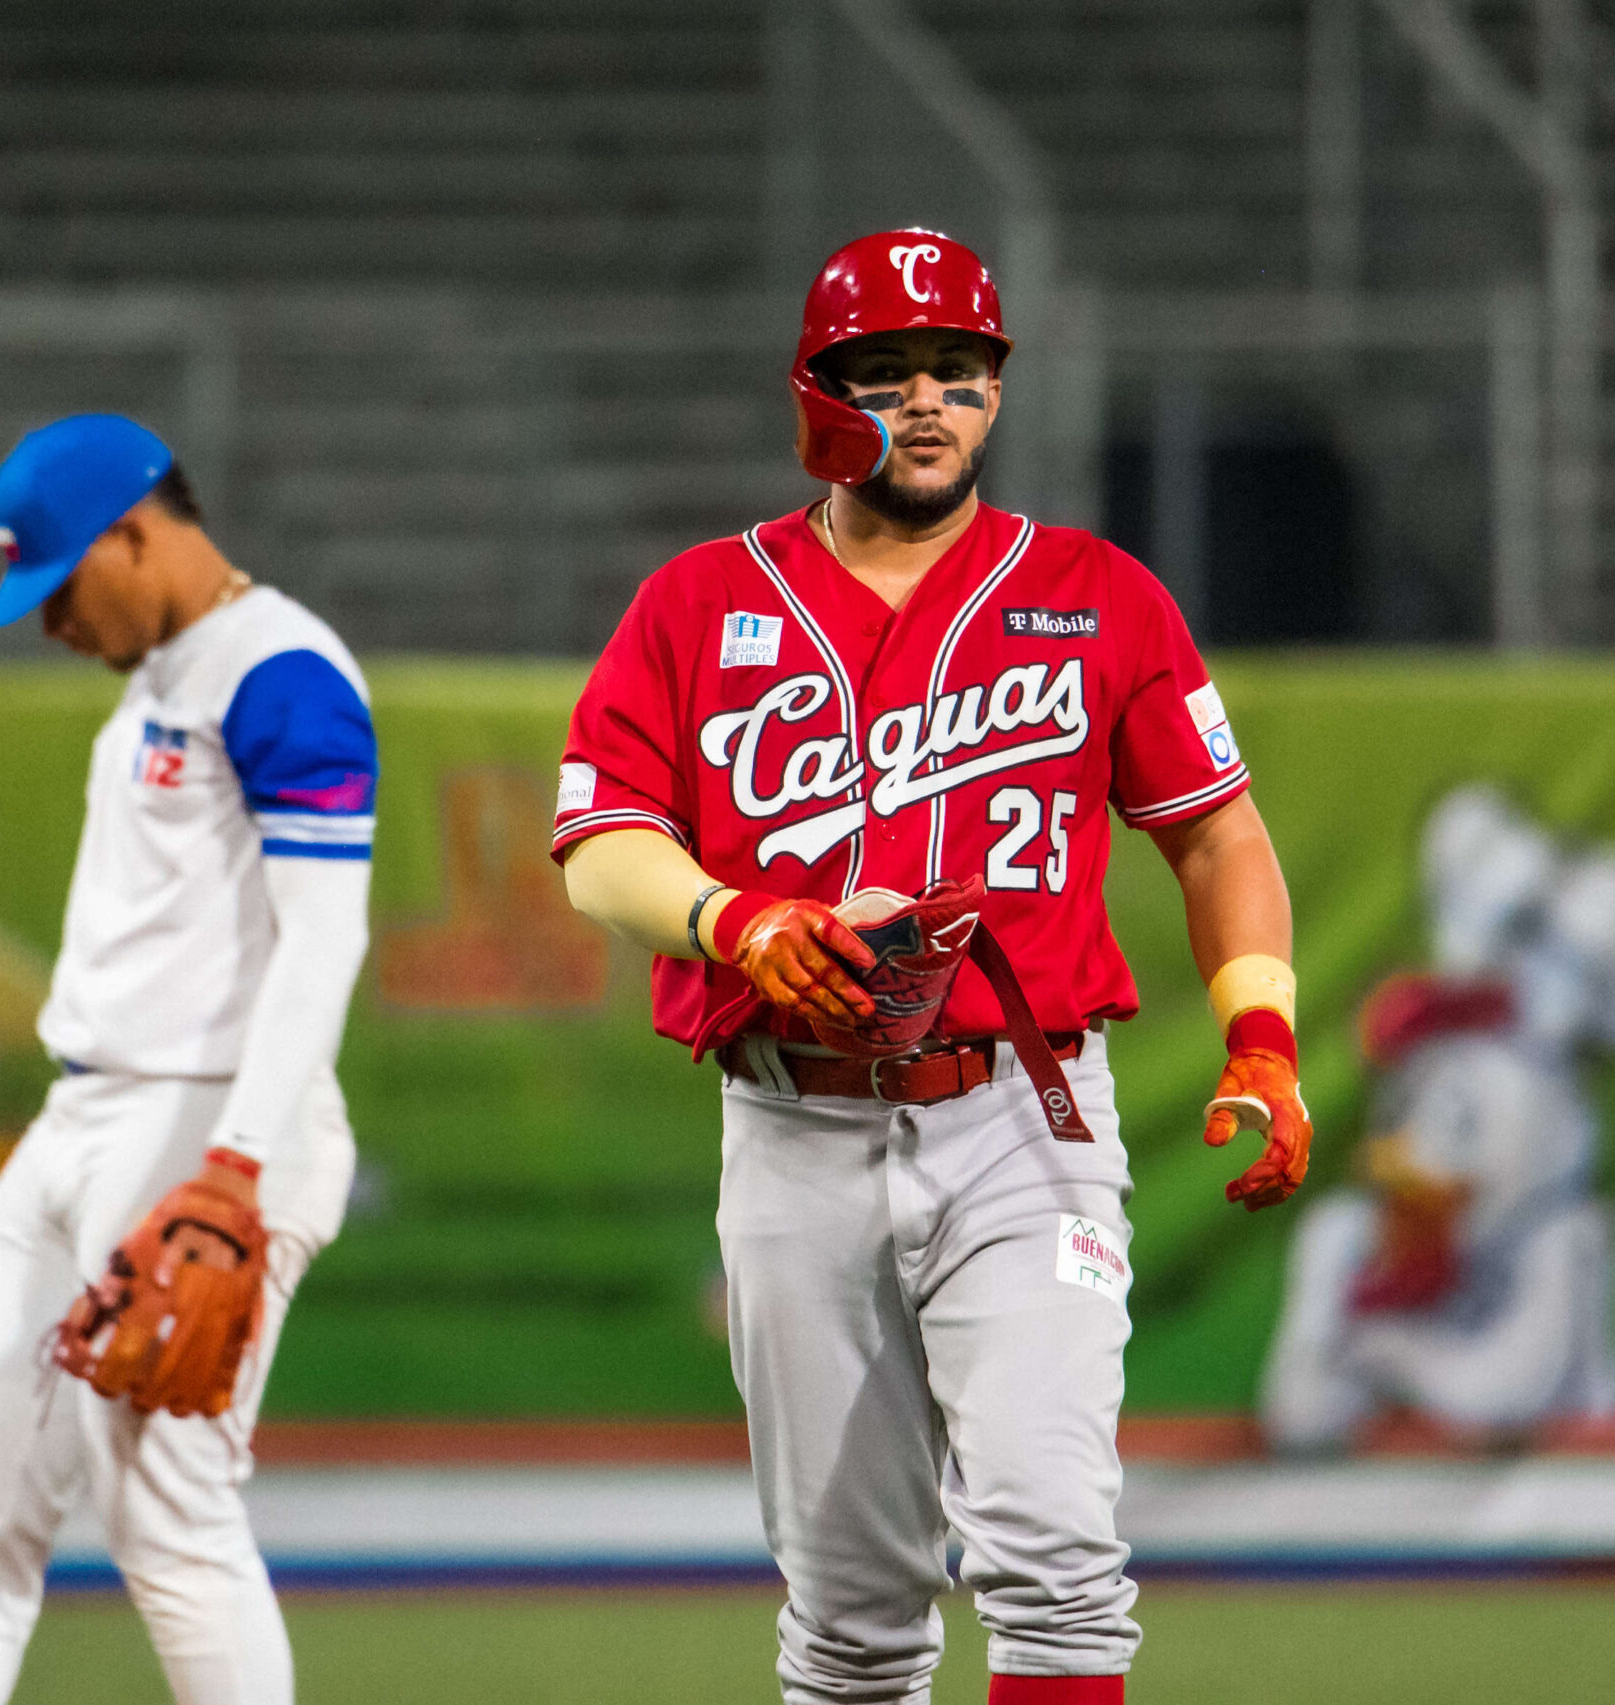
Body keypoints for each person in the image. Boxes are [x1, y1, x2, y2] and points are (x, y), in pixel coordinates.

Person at [555, 230, 1311, 1705]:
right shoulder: (701, 602)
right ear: (816, 392)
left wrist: (1264, 1036)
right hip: (794, 1125)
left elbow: (1219, 835)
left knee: (1057, 1558)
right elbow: (601, 842)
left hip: (1024, 1119)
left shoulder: (1095, 594)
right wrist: (735, 920)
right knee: (850, 1617)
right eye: (885, 370)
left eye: (958, 370)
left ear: (996, 395)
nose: (926, 399)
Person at [0, 414, 375, 1705]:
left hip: (209, 1125)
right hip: (83, 1117)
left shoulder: (279, 668)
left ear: (135, 532)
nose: (50, 621)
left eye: (60, 584)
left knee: (169, 1516)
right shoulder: (164, 675)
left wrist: (234, 1171)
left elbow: (326, 937)